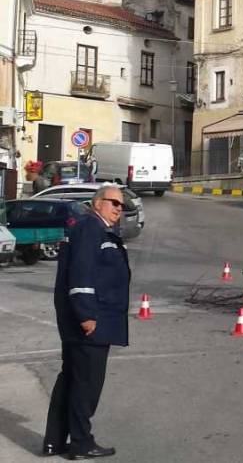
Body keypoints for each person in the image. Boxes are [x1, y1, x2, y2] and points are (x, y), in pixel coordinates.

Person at [43, 184, 130, 459]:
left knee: (70, 381)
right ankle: (81, 442)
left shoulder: (95, 229)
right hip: (91, 323)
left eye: (122, 205)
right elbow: (81, 276)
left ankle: (54, 441)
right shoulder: (91, 228)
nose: (119, 208)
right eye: (114, 202)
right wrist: (87, 316)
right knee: (86, 386)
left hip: (85, 322)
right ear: (97, 203)